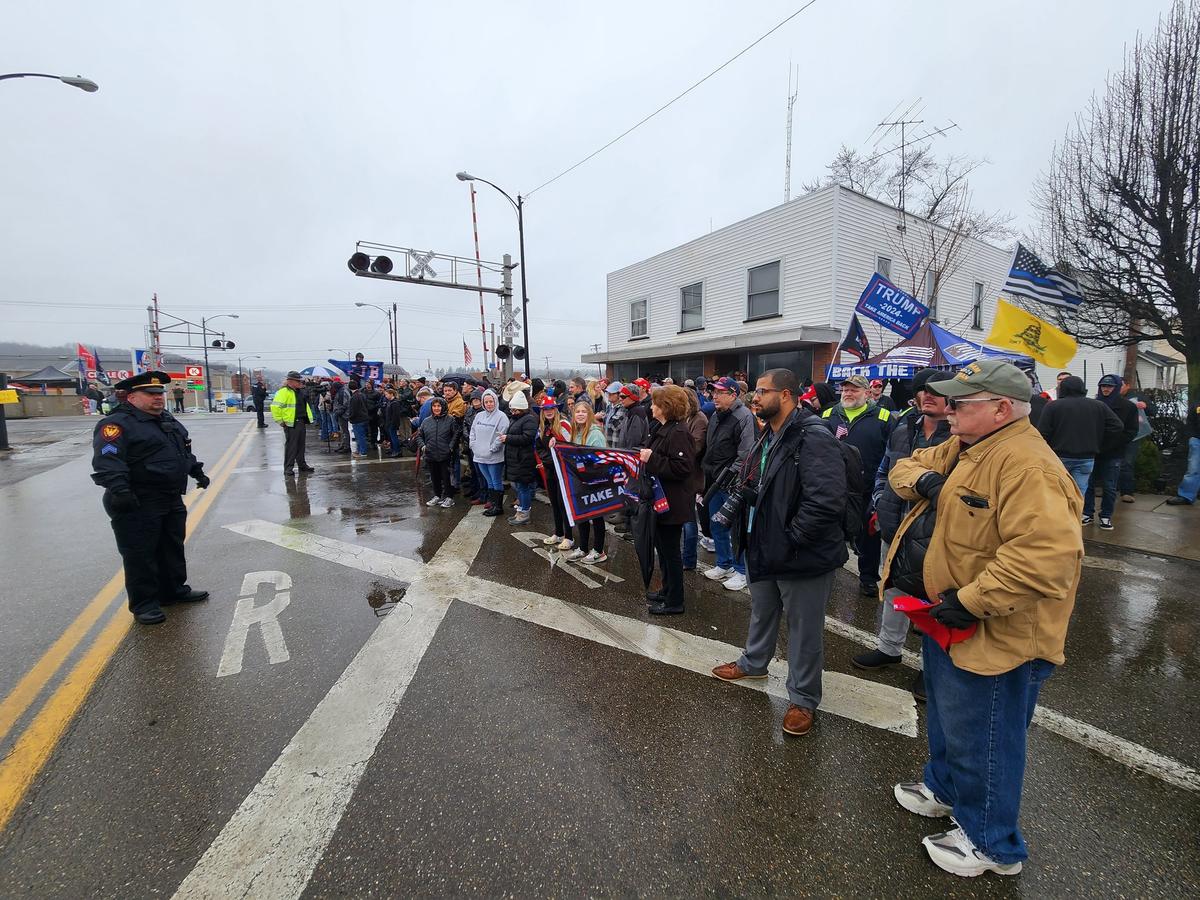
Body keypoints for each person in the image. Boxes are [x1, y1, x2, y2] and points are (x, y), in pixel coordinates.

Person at [883, 359, 1082, 877]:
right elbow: (903, 468)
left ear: (1001, 408)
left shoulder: (1027, 466)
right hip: (949, 619)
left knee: (987, 738)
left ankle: (992, 843)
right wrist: (929, 480)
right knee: (950, 719)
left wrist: (972, 600)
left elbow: (1044, 558)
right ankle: (945, 789)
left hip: (997, 630)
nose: (947, 410)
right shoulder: (967, 446)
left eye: (960, 402)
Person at [711, 368, 847, 736]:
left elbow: (826, 500)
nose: (754, 398)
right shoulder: (769, 433)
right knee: (762, 611)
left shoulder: (813, 436)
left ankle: (803, 699)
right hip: (763, 542)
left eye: (762, 391)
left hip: (801, 554)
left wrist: (793, 539)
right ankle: (753, 663)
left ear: (786, 395)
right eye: (755, 391)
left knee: (804, 630)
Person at [852, 368, 952, 700]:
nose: (927, 395)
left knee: (933, 597)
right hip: (895, 524)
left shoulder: (958, 435)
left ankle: (931, 667)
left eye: (936, 390)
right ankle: (889, 647)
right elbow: (886, 468)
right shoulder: (904, 426)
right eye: (922, 390)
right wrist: (881, 500)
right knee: (893, 585)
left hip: (936, 532)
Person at [91, 371, 210, 625]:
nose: (158, 398)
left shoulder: (166, 420)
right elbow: (108, 461)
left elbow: (181, 451)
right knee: (140, 553)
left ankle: (173, 590)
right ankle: (144, 604)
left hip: (168, 497)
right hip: (137, 499)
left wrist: (196, 471)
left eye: (160, 393)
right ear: (132, 396)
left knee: (171, 547)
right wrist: (120, 491)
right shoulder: (116, 425)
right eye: (150, 393)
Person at [822, 374, 893, 596]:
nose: (848, 393)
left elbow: (891, 453)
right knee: (830, 531)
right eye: (845, 389)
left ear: (867, 393)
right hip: (835, 487)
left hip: (867, 489)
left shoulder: (884, 417)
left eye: (854, 390)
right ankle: (827, 572)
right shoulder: (828, 415)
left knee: (868, 536)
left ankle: (868, 578)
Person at [638, 385, 700, 615]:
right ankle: (667, 589)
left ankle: (675, 601)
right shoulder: (664, 428)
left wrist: (652, 459)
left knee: (671, 552)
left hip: (672, 503)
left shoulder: (679, 433)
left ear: (666, 407)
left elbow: (682, 468)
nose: (651, 407)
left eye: (655, 404)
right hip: (661, 501)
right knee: (663, 551)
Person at [701, 376, 757, 592]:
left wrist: (731, 476)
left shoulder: (744, 417)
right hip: (715, 479)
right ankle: (724, 563)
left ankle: (741, 570)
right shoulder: (716, 415)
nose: (714, 396)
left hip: (733, 482)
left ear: (733, 394)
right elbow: (710, 447)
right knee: (716, 523)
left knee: (737, 529)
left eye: (720, 392)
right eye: (713, 392)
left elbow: (746, 453)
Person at [1036, 375, 1123, 509]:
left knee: (1057, 493)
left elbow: (1042, 433)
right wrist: (1099, 442)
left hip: (1059, 456)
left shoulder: (1053, 406)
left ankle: (1058, 519)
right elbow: (1117, 426)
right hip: (1086, 457)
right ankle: (1075, 518)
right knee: (1078, 494)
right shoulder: (1098, 405)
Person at [1082, 374, 1138, 528]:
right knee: (1088, 485)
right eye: (1103, 386)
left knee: (1109, 486)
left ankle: (1106, 515)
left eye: (1109, 386)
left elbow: (1131, 431)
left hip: (1113, 453)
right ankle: (1087, 513)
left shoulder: (1128, 407)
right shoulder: (1092, 405)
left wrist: (1113, 444)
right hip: (1092, 451)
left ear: (1117, 387)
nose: (1106, 389)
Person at [563, 400, 610, 564]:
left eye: (584, 411)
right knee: (581, 514)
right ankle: (583, 547)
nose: (580, 414)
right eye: (578, 412)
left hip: (594, 481)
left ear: (589, 414)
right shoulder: (575, 432)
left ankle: (599, 550)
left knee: (596, 515)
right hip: (579, 480)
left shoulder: (595, 434)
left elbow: (600, 460)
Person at [535, 397, 574, 548]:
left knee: (563, 502)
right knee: (554, 502)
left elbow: (569, 447)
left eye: (551, 408)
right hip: (550, 469)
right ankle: (558, 533)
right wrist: (548, 460)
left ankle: (569, 536)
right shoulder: (543, 427)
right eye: (545, 409)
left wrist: (552, 458)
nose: (548, 411)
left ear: (556, 409)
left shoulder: (563, 424)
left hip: (563, 470)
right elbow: (539, 447)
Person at [680, 388, 708, 572]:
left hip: (693, 478)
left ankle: (689, 559)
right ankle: (685, 556)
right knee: (683, 520)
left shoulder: (699, 419)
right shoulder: (685, 418)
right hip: (683, 476)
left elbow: (695, 448)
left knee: (689, 521)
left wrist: (677, 450)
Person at [469, 389, 510, 516]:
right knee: (489, 481)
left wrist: (493, 448)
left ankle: (498, 507)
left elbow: (501, 434)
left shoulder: (501, 417)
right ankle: (493, 504)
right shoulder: (479, 416)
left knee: (496, 481)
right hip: (479, 455)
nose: (489, 404)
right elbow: (473, 432)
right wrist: (473, 445)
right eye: (486, 402)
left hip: (494, 456)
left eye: (491, 401)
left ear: (495, 401)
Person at [500, 390, 538, 525]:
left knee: (523, 488)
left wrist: (508, 438)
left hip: (523, 460)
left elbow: (527, 438)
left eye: (515, 409)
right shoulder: (518, 418)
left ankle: (524, 513)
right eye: (512, 409)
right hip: (518, 459)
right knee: (520, 488)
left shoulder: (529, 419)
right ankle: (521, 511)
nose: (513, 412)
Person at [415, 397, 460, 507]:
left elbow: (456, 434)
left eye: (438, 406)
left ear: (443, 407)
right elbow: (419, 436)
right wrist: (423, 446)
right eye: (434, 406)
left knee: (446, 477)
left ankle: (449, 497)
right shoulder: (426, 421)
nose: (436, 408)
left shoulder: (450, 420)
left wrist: (450, 447)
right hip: (430, 454)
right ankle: (437, 495)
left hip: (445, 454)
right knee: (434, 477)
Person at [270, 371, 316, 475]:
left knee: (301, 446)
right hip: (291, 423)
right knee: (291, 447)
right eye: (298, 381)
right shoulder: (283, 392)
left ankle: (302, 465)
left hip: (301, 421)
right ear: (290, 381)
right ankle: (288, 468)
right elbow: (275, 407)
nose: (300, 382)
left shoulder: (300, 391)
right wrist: (280, 421)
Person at [1118, 381, 1155, 502]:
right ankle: (1106, 488)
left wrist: (1145, 406)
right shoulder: (1110, 398)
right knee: (1110, 462)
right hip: (1114, 435)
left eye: (1121, 385)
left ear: (1127, 386)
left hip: (1132, 436)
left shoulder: (1137, 397)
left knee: (1127, 462)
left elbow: (1153, 411)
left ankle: (1126, 492)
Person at [1166, 397, 1200, 505]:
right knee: (1193, 469)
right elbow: (1190, 422)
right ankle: (1186, 495)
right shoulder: (1197, 405)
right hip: (1197, 440)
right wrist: (1192, 437)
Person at [346, 381, 371, 458]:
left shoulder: (354, 397)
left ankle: (362, 452)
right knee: (362, 436)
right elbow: (366, 405)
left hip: (357, 419)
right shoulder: (362, 394)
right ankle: (360, 450)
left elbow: (353, 410)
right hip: (364, 417)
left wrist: (350, 418)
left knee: (359, 436)